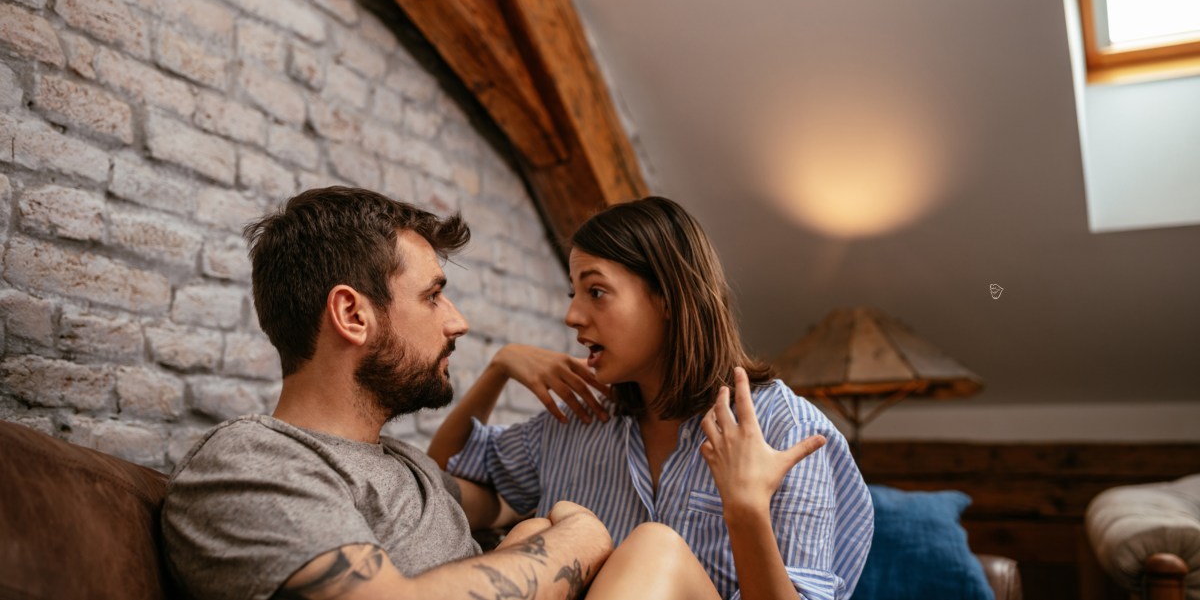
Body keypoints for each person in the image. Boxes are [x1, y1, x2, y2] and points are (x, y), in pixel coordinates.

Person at [160, 186, 613, 600]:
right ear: (353, 315)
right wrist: (579, 541)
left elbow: (501, 503)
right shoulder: (254, 462)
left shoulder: (405, 463)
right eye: (433, 296)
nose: (458, 322)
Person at [429, 196, 875, 600]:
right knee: (536, 529)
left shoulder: (785, 429)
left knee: (653, 545)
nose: (572, 315)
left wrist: (746, 509)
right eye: (574, 293)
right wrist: (500, 368)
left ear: (667, 296)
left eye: (596, 292)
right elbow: (439, 482)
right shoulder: (581, 418)